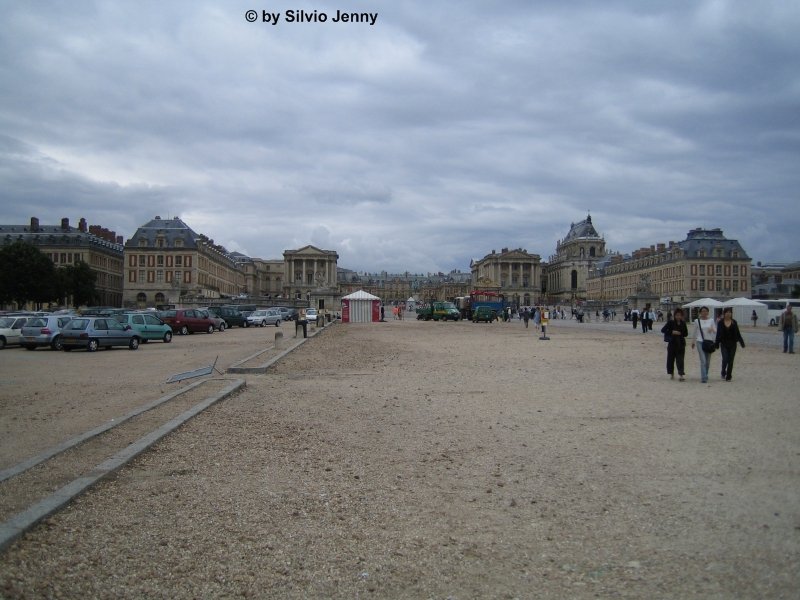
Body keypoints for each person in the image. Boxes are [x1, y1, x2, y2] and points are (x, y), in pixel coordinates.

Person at [714, 307, 745, 381]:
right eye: (727, 312)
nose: (728, 314)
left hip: (733, 343)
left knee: (731, 360)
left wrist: (741, 342)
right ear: (724, 314)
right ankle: (723, 371)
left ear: (731, 314)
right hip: (724, 343)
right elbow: (718, 334)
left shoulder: (734, 322)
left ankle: (728, 376)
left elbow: (737, 333)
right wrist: (717, 343)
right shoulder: (720, 322)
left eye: (730, 312)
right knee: (725, 359)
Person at [691, 306, 716, 384]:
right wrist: (693, 341)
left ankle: (705, 374)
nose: (704, 313)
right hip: (700, 341)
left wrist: (712, 330)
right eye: (703, 311)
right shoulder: (697, 321)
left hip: (709, 342)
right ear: (700, 313)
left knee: (708, 361)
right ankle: (704, 378)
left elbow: (716, 331)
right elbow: (694, 332)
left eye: (706, 311)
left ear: (708, 312)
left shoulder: (711, 320)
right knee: (703, 360)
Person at [661, 307, 688, 381]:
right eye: (677, 315)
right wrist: (672, 332)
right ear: (674, 315)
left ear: (682, 316)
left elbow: (686, 334)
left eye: (680, 315)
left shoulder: (683, 323)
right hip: (672, 343)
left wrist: (680, 333)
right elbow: (663, 330)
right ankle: (671, 373)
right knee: (671, 359)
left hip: (681, 344)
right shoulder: (671, 322)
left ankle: (681, 375)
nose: (678, 317)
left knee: (680, 360)